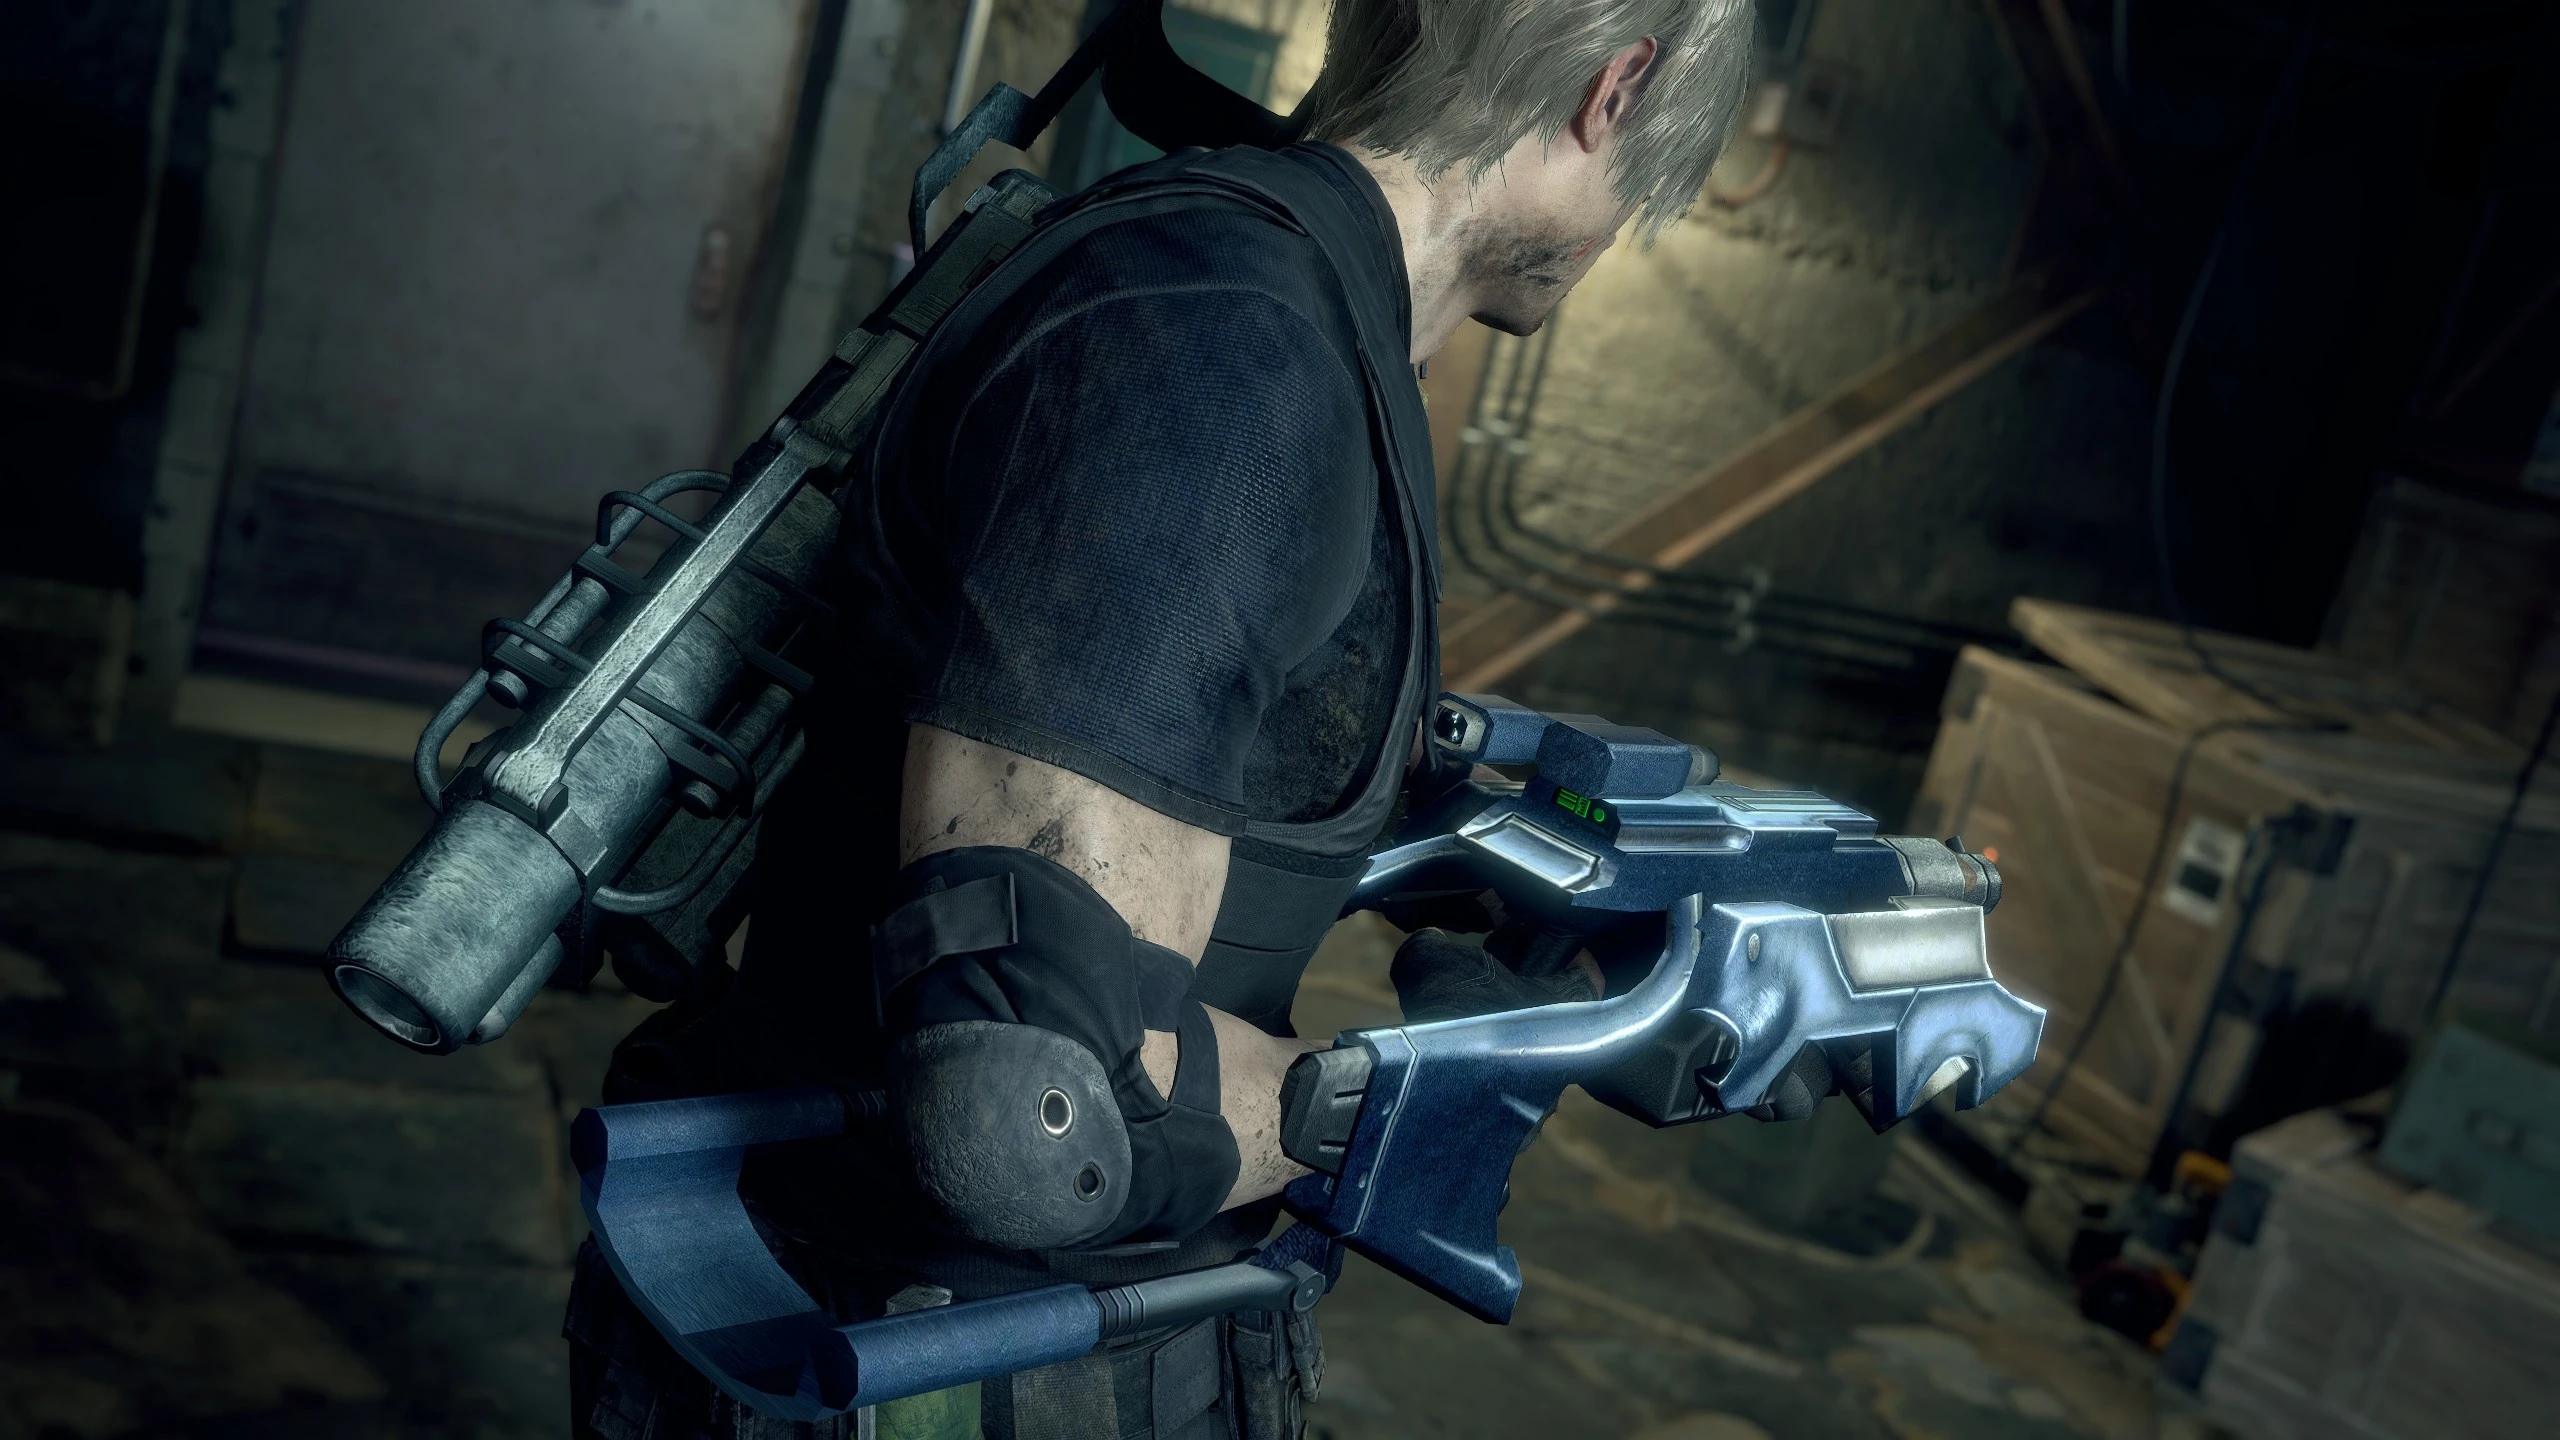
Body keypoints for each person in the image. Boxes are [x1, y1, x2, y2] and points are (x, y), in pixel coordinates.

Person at [566, 3, 1754, 1437]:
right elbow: (1031, 1107)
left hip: (1016, 1338)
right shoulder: (1229, 339)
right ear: (1613, 93)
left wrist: (1515, 887)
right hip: (917, 1357)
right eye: (1648, 187)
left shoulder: (1304, 314)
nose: (1623, 230)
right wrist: (1447, 1087)